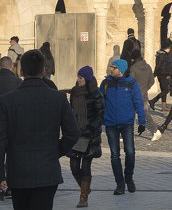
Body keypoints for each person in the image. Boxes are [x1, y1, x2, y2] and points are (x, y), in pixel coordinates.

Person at [0, 49, 79, 210]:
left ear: (21, 71)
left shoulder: (7, 101)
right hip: (47, 171)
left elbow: (1, 141)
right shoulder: (58, 98)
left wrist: (1, 175)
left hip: (18, 171)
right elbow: (73, 133)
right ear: (43, 70)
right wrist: (56, 151)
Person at [101, 58, 145, 195]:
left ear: (120, 69)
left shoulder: (131, 83)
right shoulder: (106, 83)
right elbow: (99, 101)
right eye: (111, 67)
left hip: (127, 123)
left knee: (130, 152)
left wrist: (142, 122)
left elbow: (138, 103)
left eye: (113, 67)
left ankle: (129, 177)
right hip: (110, 123)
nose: (111, 69)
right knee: (115, 155)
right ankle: (120, 184)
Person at [68, 65, 104, 208]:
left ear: (87, 79)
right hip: (76, 134)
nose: (78, 80)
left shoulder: (96, 94)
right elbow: (71, 112)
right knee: (74, 166)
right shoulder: (75, 92)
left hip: (89, 136)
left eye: (81, 78)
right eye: (78, 77)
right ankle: (86, 188)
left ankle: (83, 197)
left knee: (85, 167)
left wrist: (90, 129)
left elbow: (100, 115)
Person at [127, 47, 161, 142]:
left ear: (133, 59)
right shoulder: (148, 66)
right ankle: (155, 130)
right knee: (145, 113)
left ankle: (129, 134)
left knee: (131, 114)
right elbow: (152, 81)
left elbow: (130, 82)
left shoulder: (133, 68)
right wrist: (145, 88)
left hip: (134, 95)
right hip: (143, 94)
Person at [150, 41, 172, 111]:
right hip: (163, 74)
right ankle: (153, 101)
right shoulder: (162, 55)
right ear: (167, 48)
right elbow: (159, 65)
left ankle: (164, 106)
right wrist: (166, 74)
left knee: (163, 90)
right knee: (166, 90)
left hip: (161, 73)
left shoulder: (162, 54)